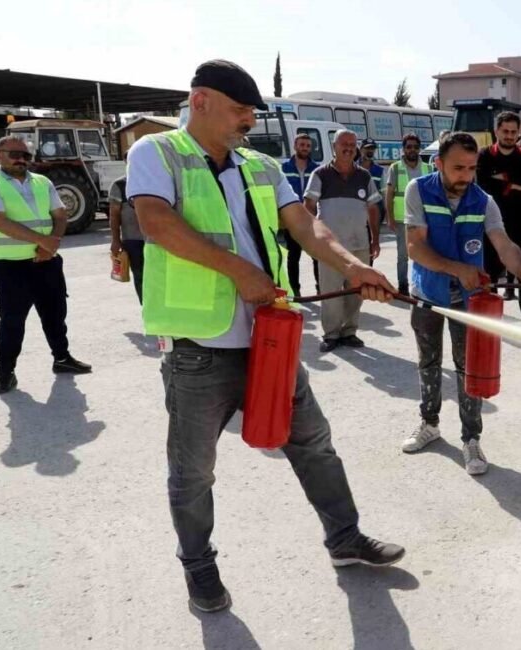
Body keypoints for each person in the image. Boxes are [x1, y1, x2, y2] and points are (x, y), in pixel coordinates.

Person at [126, 60, 404, 613]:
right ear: (199, 100)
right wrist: (239, 271)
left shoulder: (260, 164)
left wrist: (353, 266)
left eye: (253, 112)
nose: (248, 122)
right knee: (193, 471)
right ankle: (199, 570)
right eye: (239, 111)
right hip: (196, 349)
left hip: (269, 338)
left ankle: (345, 539)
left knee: (313, 443)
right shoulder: (156, 154)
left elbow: (305, 224)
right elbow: (155, 222)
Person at [400, 132, 521, 475]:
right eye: (457, 168)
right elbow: (415, 248)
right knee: (429, 361)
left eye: (471, 168)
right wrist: (457, 268)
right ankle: (429, 423)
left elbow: (504, 245)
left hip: (467, 301)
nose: (465, 176)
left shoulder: (483, 200)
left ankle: (471, 439)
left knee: (469, 368)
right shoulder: (418, 191)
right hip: (428, 294)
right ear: (438, 163)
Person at [0, 135, 92, 394]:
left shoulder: (43, 181)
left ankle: (62, 358)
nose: (22, 159)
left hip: (47, 263)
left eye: (26, 155)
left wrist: (52, 244)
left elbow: (60, 215)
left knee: (55, 315)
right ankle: (5, 372)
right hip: (12, 266)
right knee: (12, 321)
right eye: (15, 154)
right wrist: (44, 241)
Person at [305, 130, 382, 351]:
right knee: (330, 291)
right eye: (343, 144)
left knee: (356, 291)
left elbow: (373, 208)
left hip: (359, 245)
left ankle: (349, 332)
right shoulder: (320, 174)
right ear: (334, 147)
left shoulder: (364, 177)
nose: (348, 148)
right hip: (330, 248)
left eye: (352, 144)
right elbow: (308, 205)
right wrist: (312, 237)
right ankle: (331, 335)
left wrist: (375, 239)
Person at [477, 111, 521, 323]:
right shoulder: (484, 156)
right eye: (505, 131)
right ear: (496, 131)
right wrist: (514, 185)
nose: (509, 136)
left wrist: (502, 182)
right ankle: (489, 317)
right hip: (492, 226)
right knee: (489, 274)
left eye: (514, 132)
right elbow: (483, 187)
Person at [385, 133, 433, 294]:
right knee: (403, 256)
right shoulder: (395, 168)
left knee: (424, 253)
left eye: (415, 147)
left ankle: (422, 285)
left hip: (423, 219)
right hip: (401, 219)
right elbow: (389, 194)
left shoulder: (428, 168)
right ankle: (403, 286)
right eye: (408, 147)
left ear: (419, 149)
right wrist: (390, 218)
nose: (412, 150)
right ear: (403, 149)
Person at [280, 133, 318, 295]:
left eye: (308, 146)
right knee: (293, 257)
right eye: (302, 145)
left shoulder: (317, 169)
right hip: (292, 219)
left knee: (317, 257)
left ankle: (320, 290)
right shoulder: (284, 168)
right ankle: (295, 291)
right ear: (295, 146)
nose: (305, 148)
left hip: (312, 220)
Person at [108, 174, 146, 303]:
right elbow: (114, 215)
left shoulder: (154, 179)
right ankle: (146, 309)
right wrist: (115, 239)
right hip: (133, 241)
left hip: (157, 240)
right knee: (140, 277)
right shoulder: (120, 185)